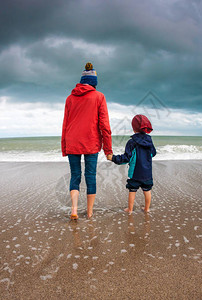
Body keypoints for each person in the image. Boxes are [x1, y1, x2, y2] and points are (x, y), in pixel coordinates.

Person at [61, 62, 113, 220]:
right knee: (90, 175)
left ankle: (74, 210)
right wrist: (108, 150)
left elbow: (65, 124)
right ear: (94, 83)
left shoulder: (70, 98)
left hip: (72, 141)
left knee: (75, 175)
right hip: (91, 141)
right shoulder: (99, 97)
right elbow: (104, 125)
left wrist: (64, 147)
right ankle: (90, 213)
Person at [107, 114, 156, 213]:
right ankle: (146, 209)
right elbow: (153, 153)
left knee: (132, 190)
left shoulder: (131, 142)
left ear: (133, 128)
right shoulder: (149, 141)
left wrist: (113, 158)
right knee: (147, 190)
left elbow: (126, 158)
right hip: (147, 173)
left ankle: (129, 209)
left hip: (135, 173)